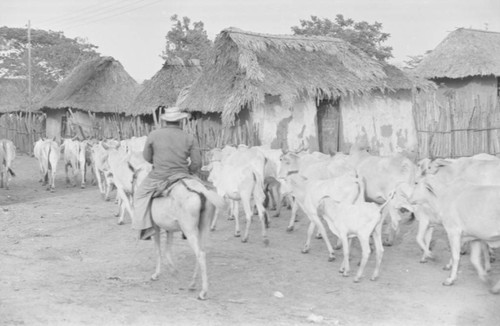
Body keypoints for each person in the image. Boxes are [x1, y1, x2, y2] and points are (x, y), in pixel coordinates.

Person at [132, 106, 202, 240]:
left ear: (165, 121)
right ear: (180, 121)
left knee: (139, 195)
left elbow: (146, 157)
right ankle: (193, 225)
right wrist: (190, 172)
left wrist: (158, 162)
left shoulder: (154, 135)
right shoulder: (189, 137)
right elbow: (197, 162)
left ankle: (146, 228)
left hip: (159, 176)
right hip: (183, 174)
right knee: (203, 192)